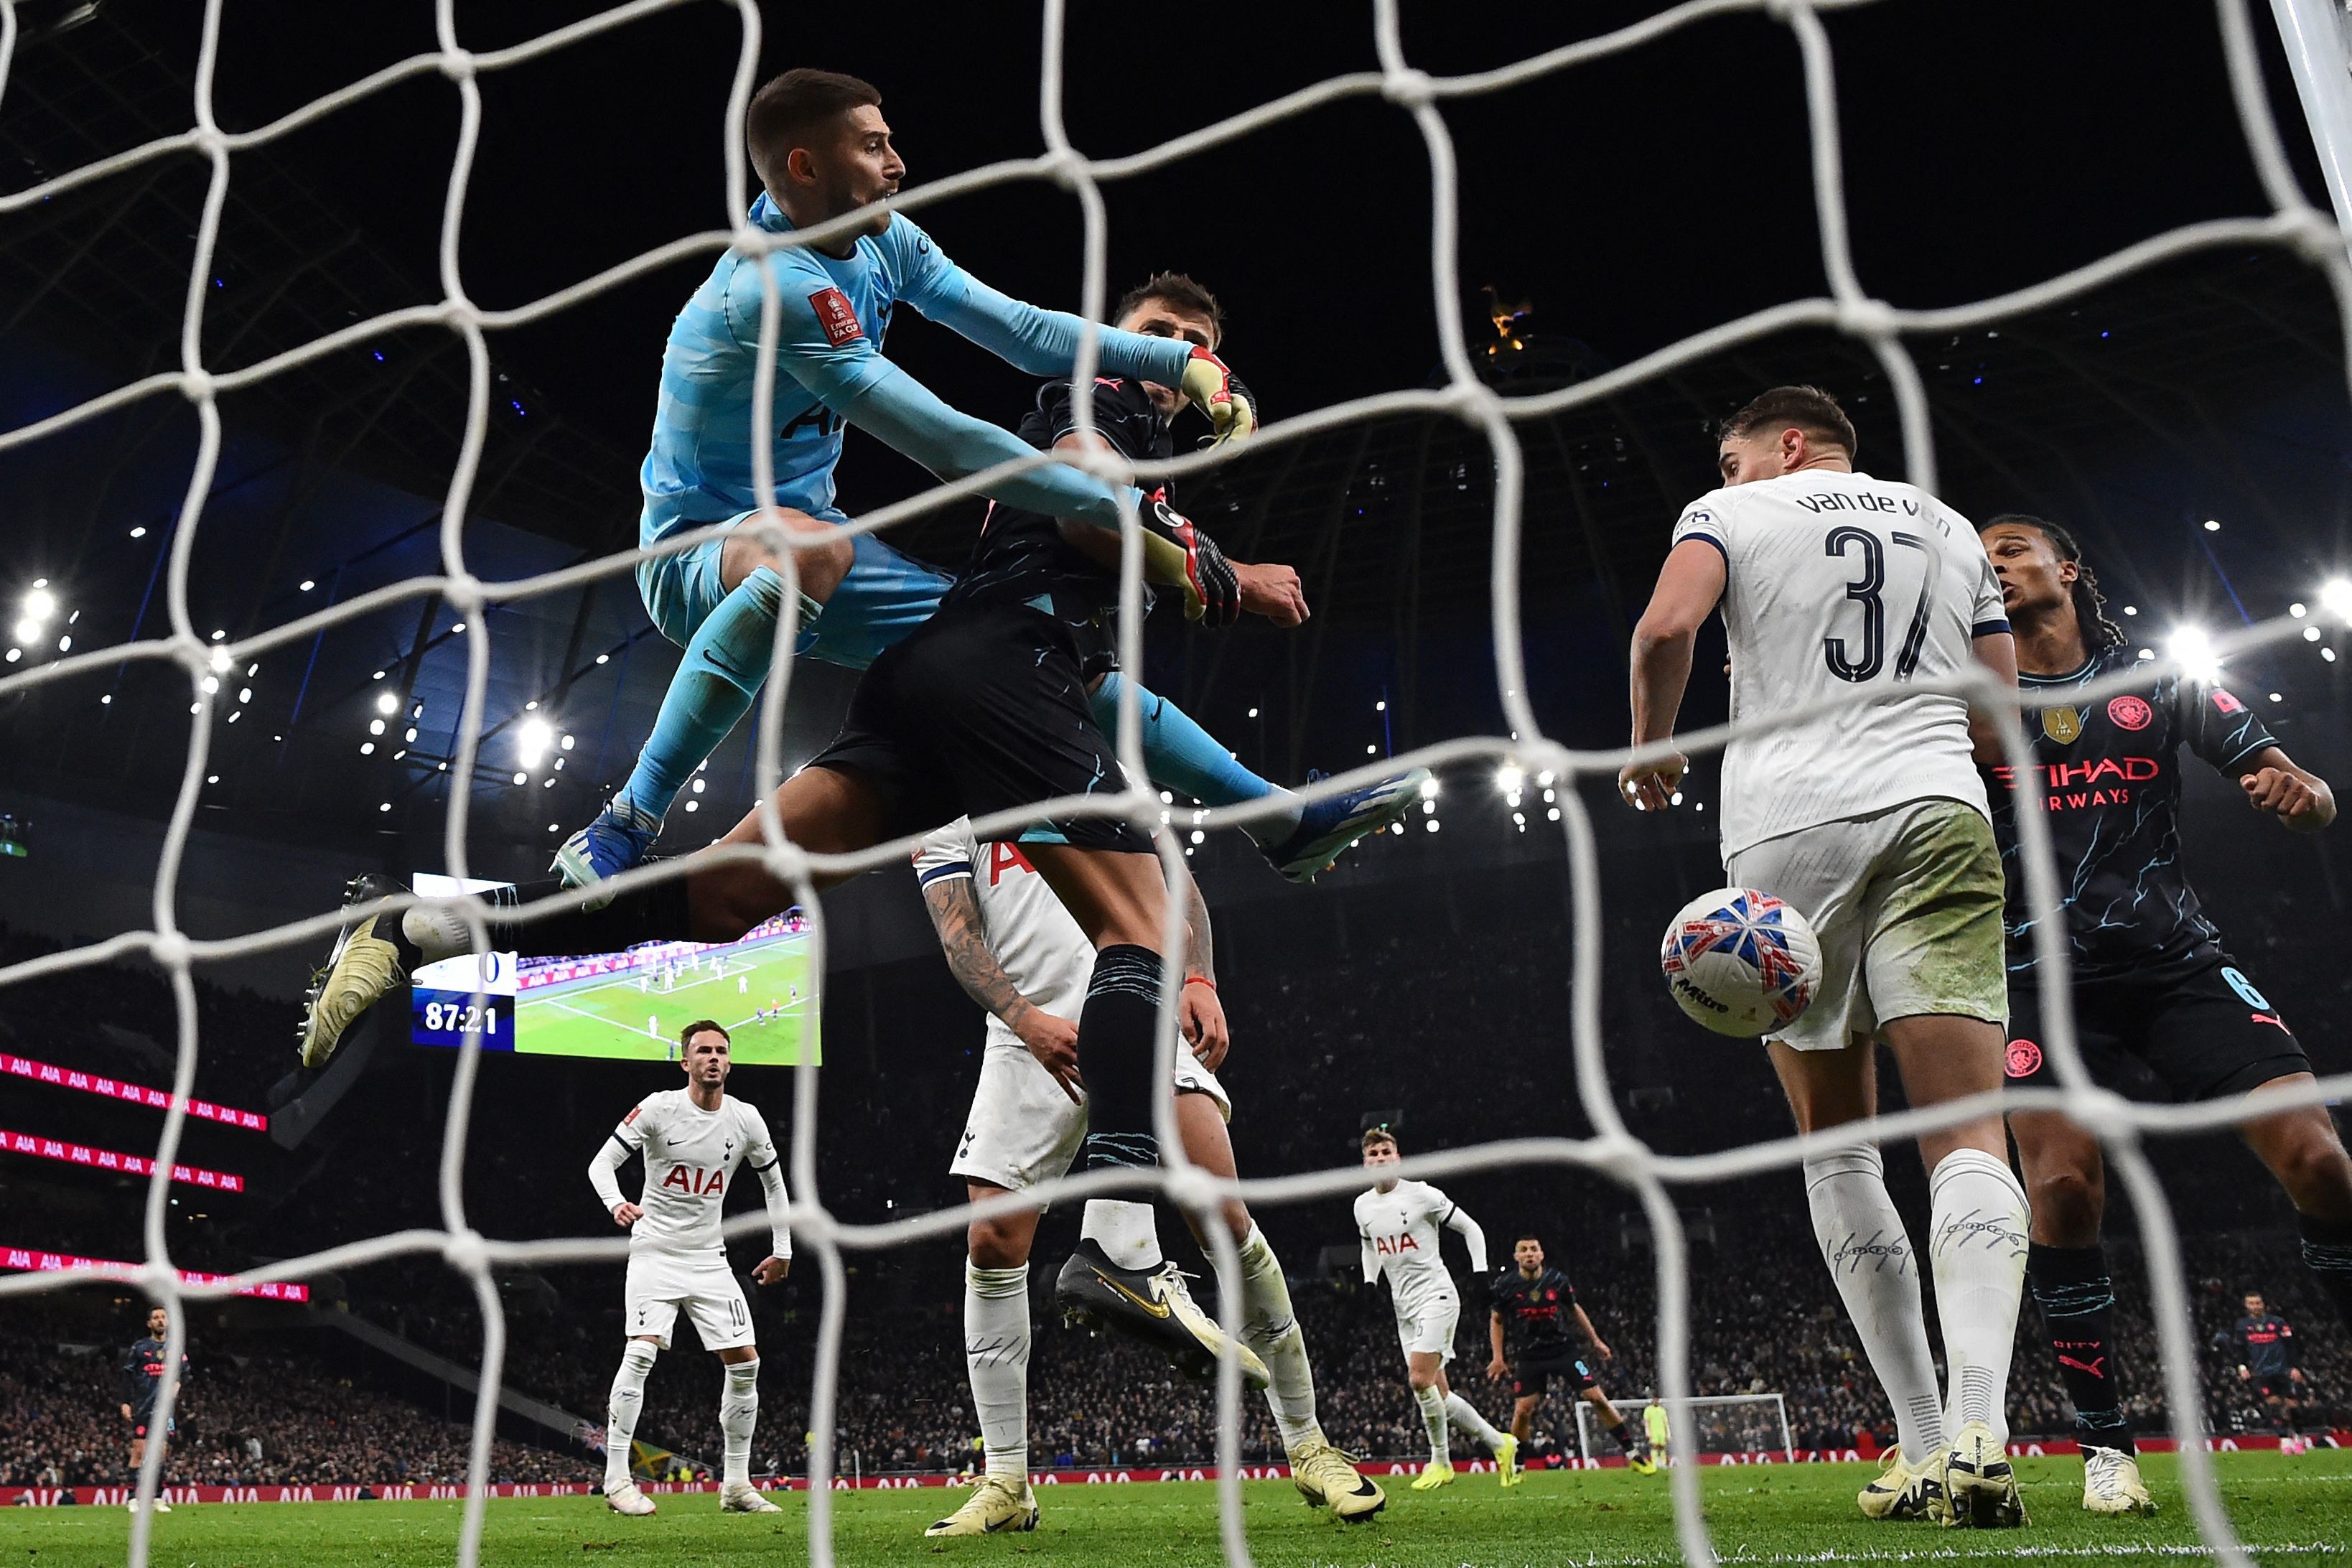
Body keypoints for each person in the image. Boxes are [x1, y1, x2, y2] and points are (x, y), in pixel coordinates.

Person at [302, 283, 1293, 1389]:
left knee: (728, 899)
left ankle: (431, 929)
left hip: (937, 671)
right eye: (1160, 336)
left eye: (1197, 346)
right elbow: (1075, 493)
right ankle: (1116, 1246)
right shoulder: (1094, 393)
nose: (1179, 357)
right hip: (980, 665)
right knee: (1145, 924)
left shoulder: (1115, 416)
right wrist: (1225, 578)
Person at [548, 67, 1407, 902]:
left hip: (812, 548)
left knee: (1017, 651)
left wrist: (1181, 362)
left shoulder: (883, 237)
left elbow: (1026, 332)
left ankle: (1274, 821)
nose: (898, 163)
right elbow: (950, 446)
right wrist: (1145, 520)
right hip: (698, 556)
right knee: (814, 546)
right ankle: (627, 821)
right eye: (875, 146)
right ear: (805, 167)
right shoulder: (773, 288)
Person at [1619, 385, 2029, 1528]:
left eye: (1734, 453)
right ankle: (1989, 1420)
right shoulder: (1950, 526)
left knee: (1839, 1143)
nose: (1730, 469)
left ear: (1785, 445)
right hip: (1941, 809)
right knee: (1964, 1133)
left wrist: (1651, 749)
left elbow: (1664, 630)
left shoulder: (1728, 512)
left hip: (1785, 840)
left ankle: (1921, 1438)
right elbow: (2000, 712)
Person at [1977, 513, 2352, 1512]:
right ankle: (2108, 1453)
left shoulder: (2153, 678)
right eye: (1979, 558)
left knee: (2323, 1164)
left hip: (2177, 965)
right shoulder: (1968, 700)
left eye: (2011, 547)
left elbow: (2289, 779)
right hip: (2030, 982)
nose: (1994, 563)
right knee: (2059, 1191)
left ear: (2068, 567)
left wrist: (2301, 789)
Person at [912, 815, 1382, 1534]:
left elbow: (1175, 878)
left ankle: (1312, 1447)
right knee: (991, 1240)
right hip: (1025, 1033)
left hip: (1134, 1005)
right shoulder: (948, 808)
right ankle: (1006, 1481)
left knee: (1222, 1216)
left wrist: (1198, 976)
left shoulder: (1080, 753)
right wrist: (1025, 1019)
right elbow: (957, 934)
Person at [585, 1021, 793, 1516]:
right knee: (641, 1354)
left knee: (747, 1363)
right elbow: (600, 1165)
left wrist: (782, 1248)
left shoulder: (746, 1120)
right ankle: (616, 1481)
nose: (714, 1058)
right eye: (704, 1051)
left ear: (730, 1061)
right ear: (686, 1063)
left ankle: (737, 1486)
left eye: (722, 1051)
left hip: (709, 1259)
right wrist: (617, 1203)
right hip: (655, 1252)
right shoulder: (659, 1109)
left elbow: (775, 1186)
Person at [1353, 1125, 1516, 1490]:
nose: (1380, 1160)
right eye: (1373, 1155)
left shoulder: (1422, 1195)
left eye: (1386, 1153)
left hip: (1437, 1297)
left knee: (1418, 1379)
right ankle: (1500, 1443)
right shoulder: (1362, 1206)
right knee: (1439, 1393)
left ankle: (1441, 1461)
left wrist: (1479, 1274)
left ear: (1398, 1158)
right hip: (1403, 1308)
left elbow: (1471, 1228)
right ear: (1365, 1163)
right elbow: (1369, 1246)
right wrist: (1368, 1282)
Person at [1485, 1234, 1653, 1473]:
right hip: (1530, 1355)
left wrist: (1595, 1340)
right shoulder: (1505, 1285)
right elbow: (1497, 1319)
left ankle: (1633, 1454)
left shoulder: (1557, 1280)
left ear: (1542, 1254)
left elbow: (1574, 1310)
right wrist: (1498, 1357)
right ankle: (1517, 1466)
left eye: (1534, 1249)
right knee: (1523, 1411)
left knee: (1596, 1398)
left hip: (1563, 1350)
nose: (1529, 1254)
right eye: (1524, 1250)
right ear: (1516, 1257)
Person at [119, 1306, 185, 1512]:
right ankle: (132, 1498)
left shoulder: (175, 1348)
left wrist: (177, 1384)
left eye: (163, 1317)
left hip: (164, 1410)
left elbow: (184, 1373)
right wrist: (125, 1402)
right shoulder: (140, 1348)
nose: (160, 1321)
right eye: (156, 1318)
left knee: (161, 1454)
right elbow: (127, 1376)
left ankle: (157, 1498)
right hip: (143, 1406)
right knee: (139, 1450)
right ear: (149, 1323)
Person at [2219, 1292, 2305, 1432]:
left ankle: (2299, 1436)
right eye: (2251, 1303)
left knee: (2292, 1406)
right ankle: (2284, 1441)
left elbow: (2291, 1346)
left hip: (2283, 1370)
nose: (2255, 1306)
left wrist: (2295, 1367)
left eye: (2258, 1303)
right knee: (2273, 1405)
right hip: (2262, 1372)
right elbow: (2240, 1349)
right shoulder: (2242, 1326)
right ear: (2246, 1306)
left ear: (2263, 1304)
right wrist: (2242, 1367)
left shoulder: (2278, 1322)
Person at [1643, 1395, 1671, 1465]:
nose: (1656, 1401)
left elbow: (1666, 1422)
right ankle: (1654, 1463)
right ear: (1652, 1400)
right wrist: (1647, 1432)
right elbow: (1647, 1421)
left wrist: (1668, 1433)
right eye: (1654, 1400)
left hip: (1662, 1432)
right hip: (1653, 1432)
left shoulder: (1662, 1410)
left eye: (1657, 1400)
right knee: (1654, 1447)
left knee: (1662, 1447)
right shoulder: (1648, 1410)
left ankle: (1664, 1463)